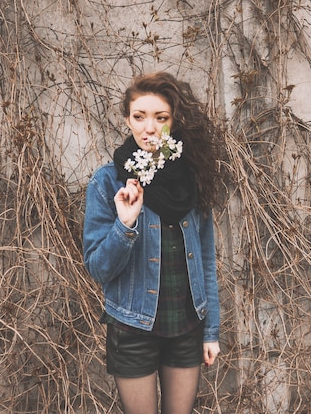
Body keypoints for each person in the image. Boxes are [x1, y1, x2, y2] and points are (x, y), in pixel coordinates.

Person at [83, 72, 223, 414]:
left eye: (161, 118)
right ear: (127, 119)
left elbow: (205, 260)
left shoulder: (192, 178)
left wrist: (211, 332)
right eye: (139, 117)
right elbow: (99, 269)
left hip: (187, 324)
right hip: (133, 327)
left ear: (174, 122)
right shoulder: (108, 181)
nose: (149, 128)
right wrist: (125, 223)